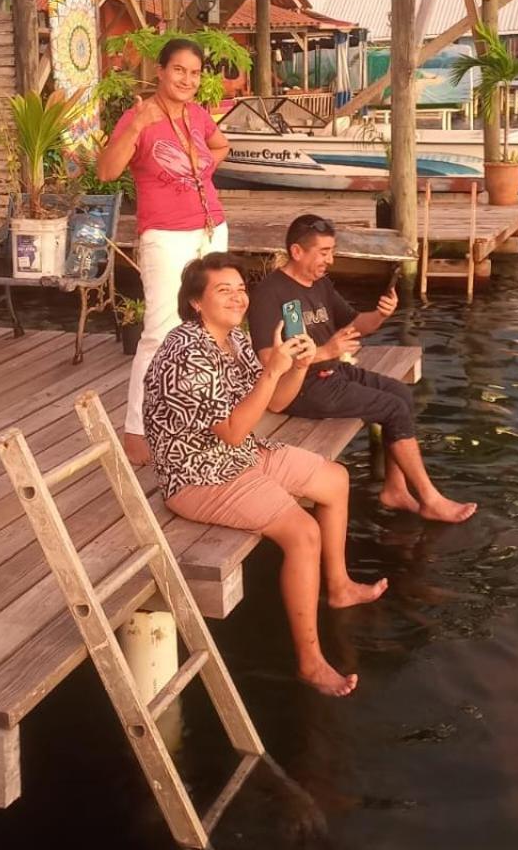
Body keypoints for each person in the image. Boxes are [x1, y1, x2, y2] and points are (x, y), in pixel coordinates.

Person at [145, 253, 387, 696]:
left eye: (240, 288)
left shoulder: (230, 340)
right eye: (224, 290)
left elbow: (274, 403)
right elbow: (236, 430)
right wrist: (274, 369)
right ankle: (310, 662)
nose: (238, 297)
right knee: (302, 533)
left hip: (236, 455)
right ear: (196, 302)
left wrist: (294, 366)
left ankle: (338, 587)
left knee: (335, 479)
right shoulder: (186, 353)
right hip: (197, 475)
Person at [248, 215, 478, 524]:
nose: (330, 259)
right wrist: (327, 351)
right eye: (324, 251)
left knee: (399, 393)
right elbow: (268, 361)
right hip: (298, 386)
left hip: (331, 371)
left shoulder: (320, 285)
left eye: (332, 251)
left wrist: (381, 315)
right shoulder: (269, 293)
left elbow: (356, 324)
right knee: (392, 408)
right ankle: (429, 498)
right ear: (297, 251)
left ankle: (395, 489)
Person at [96, 38, 230, 465]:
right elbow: (106, 171)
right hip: (166, 235)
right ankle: (136, 429)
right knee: (160, 330)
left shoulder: (197, 114)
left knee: (212, 324)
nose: (187, 80)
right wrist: (137, 126)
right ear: (160, 70)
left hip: (211, 228)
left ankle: (201, 414)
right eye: (179, 71)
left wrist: (202, 172)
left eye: (194, 73)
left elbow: (220, 146)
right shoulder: (138, 116)